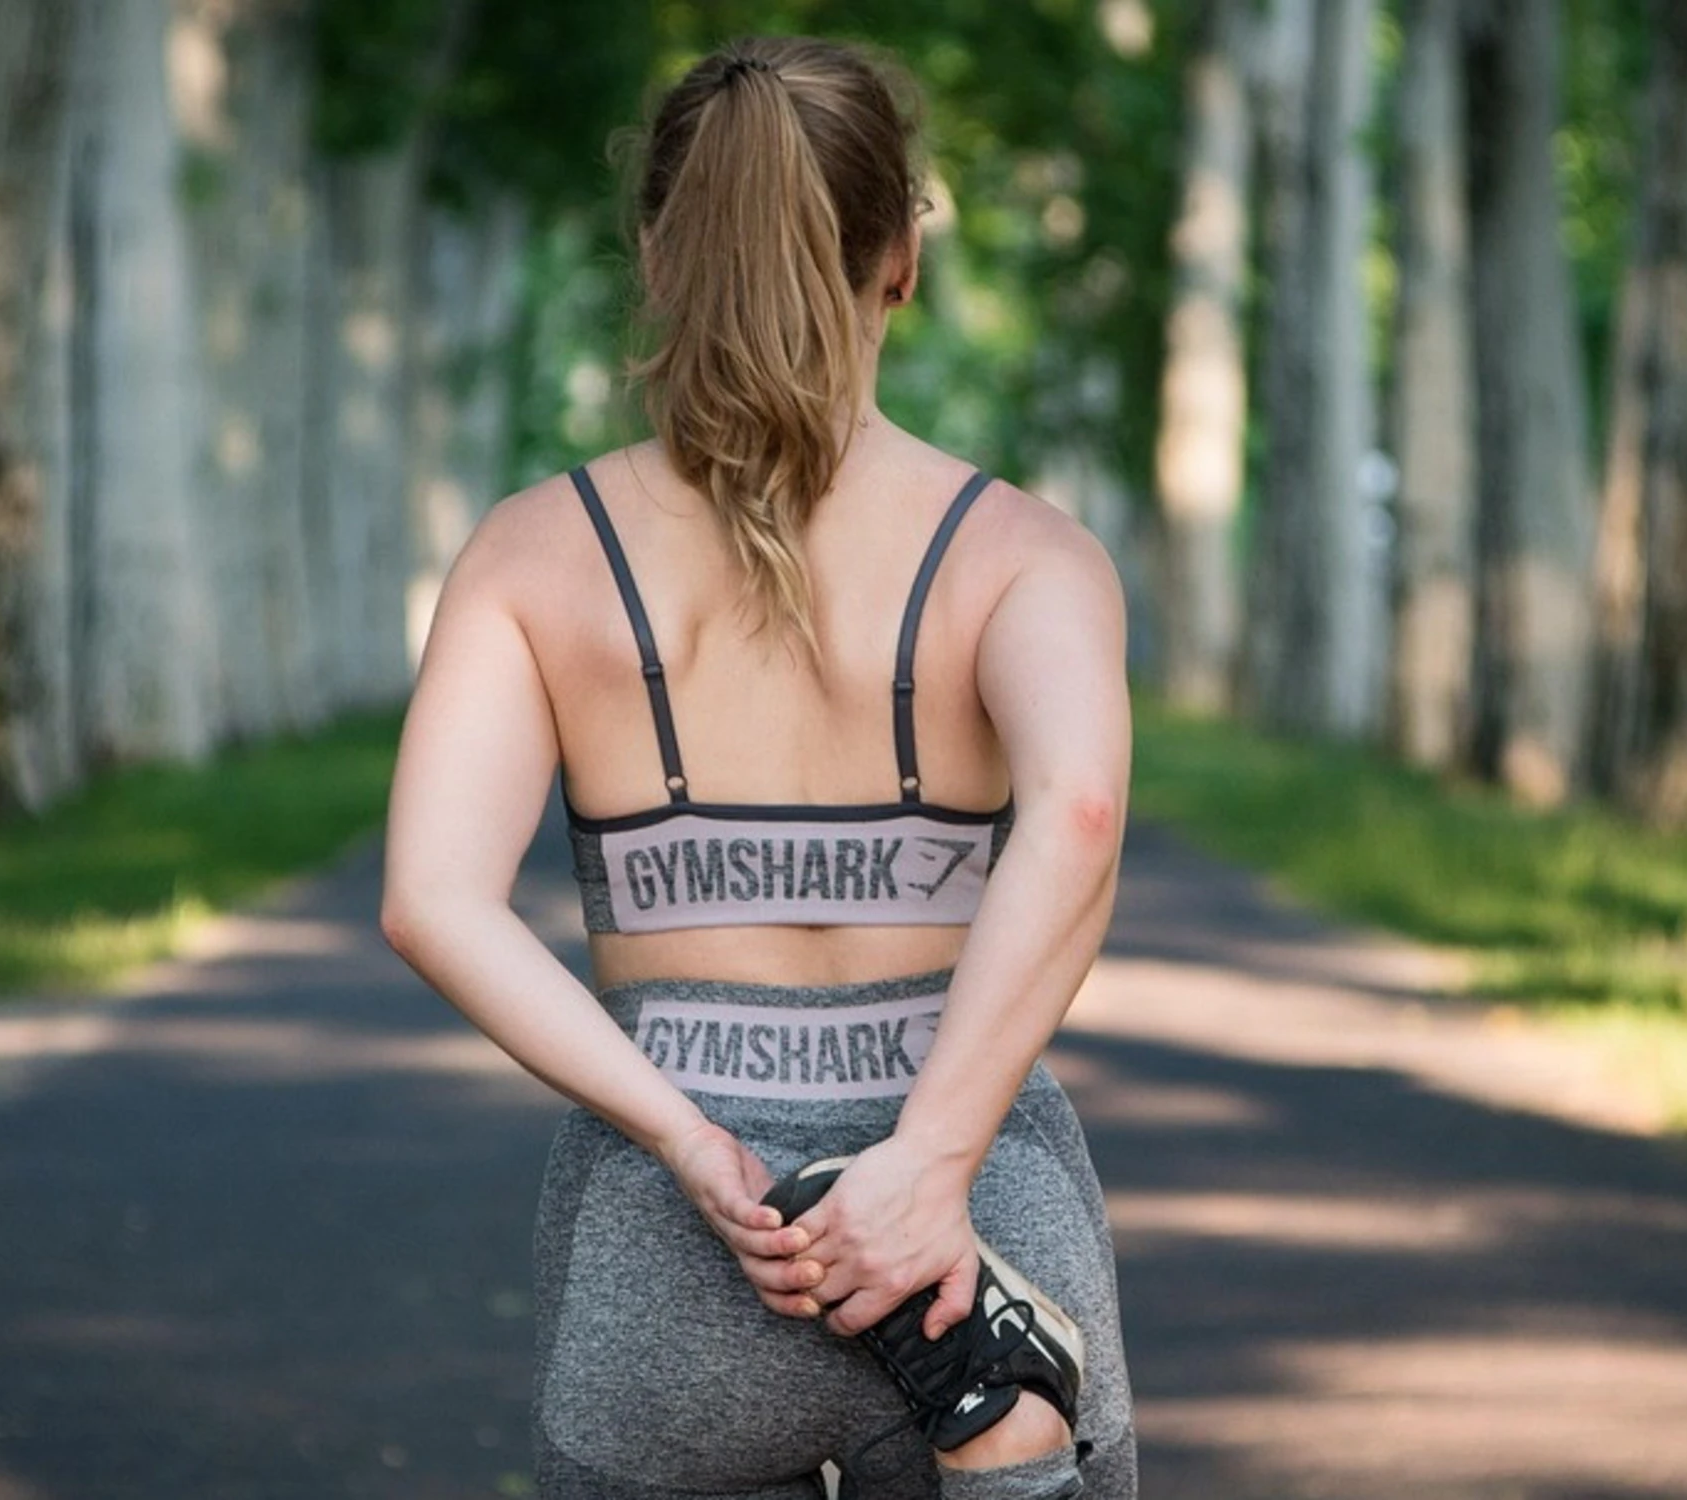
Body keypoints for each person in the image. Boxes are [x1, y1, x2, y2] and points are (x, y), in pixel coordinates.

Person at [379, 35, 1136, 1500]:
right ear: (899, 259)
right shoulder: (1022, 556)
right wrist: (925, 1164)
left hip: (679, 1250)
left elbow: (432, 900)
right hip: (972, 1244)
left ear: (660, 256)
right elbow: (1080, 812)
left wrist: (683, 1136)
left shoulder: (534, 556)